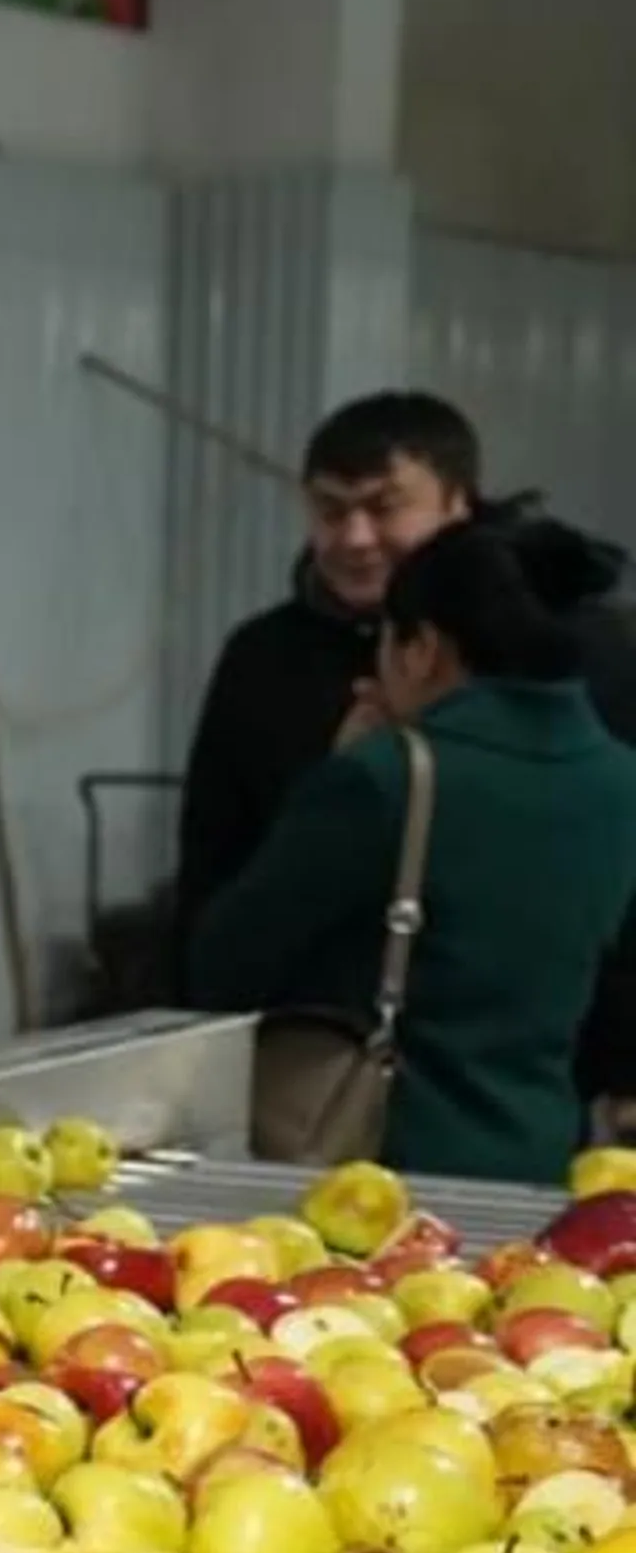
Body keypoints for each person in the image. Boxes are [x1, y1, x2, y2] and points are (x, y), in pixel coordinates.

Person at [187, 521, 636, 1184]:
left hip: (383, 1170)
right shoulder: (621, 780)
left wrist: (334, 771)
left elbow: (225, 964)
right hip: (544, 1159)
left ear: (422, 649)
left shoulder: (382, 779)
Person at [176, 393, 484, 972]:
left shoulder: (533, 651)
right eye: (331, 511)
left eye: (385, 507)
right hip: (309, 1003)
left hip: (487, 1003)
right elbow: (212, 859)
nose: (355, 537)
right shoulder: (263, 657)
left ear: (458, 503)